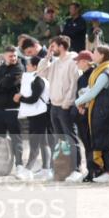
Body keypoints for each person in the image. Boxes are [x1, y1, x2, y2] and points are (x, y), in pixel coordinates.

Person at [74, 45, 109, 183]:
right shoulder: (101, 71)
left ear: (101, 55)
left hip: (105, 113)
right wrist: (83, 95)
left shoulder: (106, 72)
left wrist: (77, 102)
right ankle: (104, 171)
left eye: (94, 52)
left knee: (106, 143)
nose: (92, 54)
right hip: (101, 112)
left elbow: (93, 92)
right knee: (102, 141)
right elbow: (90, 89)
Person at [36, 36, 84, 182]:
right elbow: (41, 72)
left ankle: (76, 169)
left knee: (70, 137)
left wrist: (67, 103)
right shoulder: (55, 62)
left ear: (61, 46)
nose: (51, 48)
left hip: (65, 106)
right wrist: (47, 57)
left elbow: (73, 84)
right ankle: (62, 169)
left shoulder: (72, 61)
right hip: (54, 105)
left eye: (53, 46)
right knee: (59, 140)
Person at [13, 56, 53, 181]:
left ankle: (28, 169)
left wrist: (20, 98)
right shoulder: (41, 79)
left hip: (39, 115)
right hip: (40, 114)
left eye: (29, 65)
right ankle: (46, 169)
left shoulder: (38, 80)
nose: (27, 67)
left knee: (35, 142)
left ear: (36, 67)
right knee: (43, 142)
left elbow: (33, 99)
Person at [0, 45, 25, 172]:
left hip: (13, 110)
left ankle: (19, 165)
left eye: (15, 55)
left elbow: (8, 83)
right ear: (4, 56)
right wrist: (2, 83)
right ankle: (0, 166)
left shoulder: (19, 68)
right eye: (11, 56)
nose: (13, 58)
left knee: (16, 139)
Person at [73, 51, 96, 180]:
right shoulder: (82, 77)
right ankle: (90, 170)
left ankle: (93, 171)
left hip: (89, 112)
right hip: (83, 112)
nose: (77, 63)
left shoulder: (93, 75)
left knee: (90, 143)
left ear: (86, 61)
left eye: (79, 61)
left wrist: (82, 106)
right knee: (87, 143)